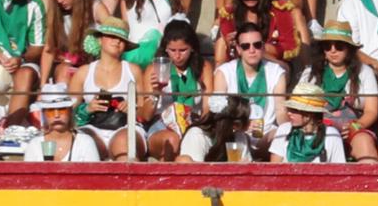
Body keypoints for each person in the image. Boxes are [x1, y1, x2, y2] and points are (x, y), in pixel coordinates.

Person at [70, 13, 153, 158]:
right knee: (84, 143)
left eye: (121, 39)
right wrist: (87, 109)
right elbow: (69, 111)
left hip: (126, 127)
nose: (117, 41)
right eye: (112, 37)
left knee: (124, 144)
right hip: (92, 126)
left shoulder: (133, 70)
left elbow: (144, 112)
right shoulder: (84, 72)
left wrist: (132, 109)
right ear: (100, 40)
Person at [298, 18, 378, 159]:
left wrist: (355, 126)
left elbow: (372, 111)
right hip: (317, 129)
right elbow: (298, 107)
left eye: (339, 46)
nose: (333, 50)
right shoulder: (310, 73)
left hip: (353, 129)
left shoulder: (364, 72)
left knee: (364, 142)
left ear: (349, 48)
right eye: (327, 46)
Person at [213, 17, 288, 152]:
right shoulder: (224, 72)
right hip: (235, 133)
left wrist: (289, 130)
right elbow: (219, 114)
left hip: (265, 136)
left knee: (284, 133)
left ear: (263, 46)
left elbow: (281, 112)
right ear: (238, 49)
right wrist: (241, 127)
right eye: (245, 46)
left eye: (257, 45)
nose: (252, 50)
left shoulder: (276, 72)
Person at [148, 15, 208, 160]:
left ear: (192, 48)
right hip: (161, 125)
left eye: (182, 50)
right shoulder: (155, 69)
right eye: (172, 50)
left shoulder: (203, 68)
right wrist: (156, 93)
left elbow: (207, 107)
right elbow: (145, 115)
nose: (177, 56)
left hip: (192, 123)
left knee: (193, 138)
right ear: (165, 48)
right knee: (172, 140)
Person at [268, 76, 348, 159]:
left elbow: (338, 169)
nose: (289, 113)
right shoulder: (284, 130)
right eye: (289, 109)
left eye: (294, 110)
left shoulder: (331, 135)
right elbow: (274, 167)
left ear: (309, 114)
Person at [30, 80, 102, 159]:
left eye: (62, 109)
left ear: (70, 111)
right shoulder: (35, 144)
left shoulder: (85, 142)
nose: (56, 115)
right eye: (51, 111)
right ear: (44, 113)